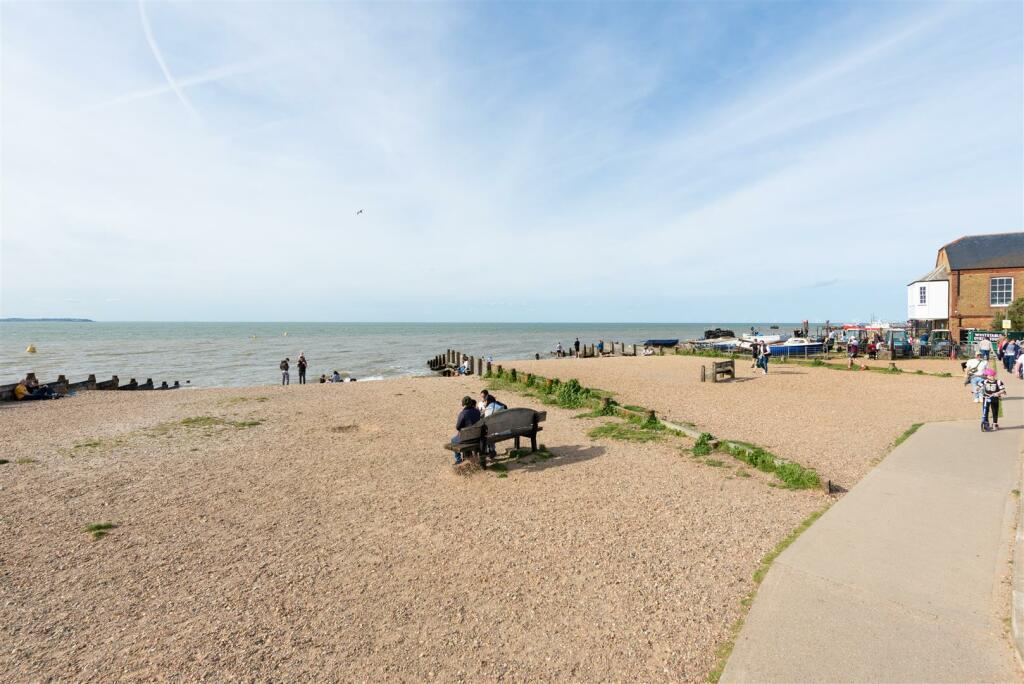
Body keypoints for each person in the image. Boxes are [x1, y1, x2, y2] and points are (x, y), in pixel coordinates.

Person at [450, 396, 482, 464]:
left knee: (453, 440)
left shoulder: (463, 413)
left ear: (463, 404)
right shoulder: (477, 412)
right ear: (471, 402)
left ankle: (458, 460)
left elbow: (458, 427)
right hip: (477, 437)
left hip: (466, 439)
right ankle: (468, 456)